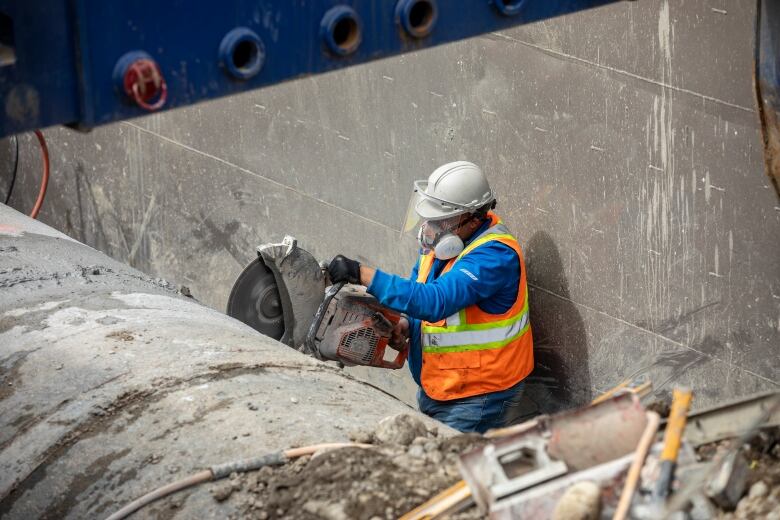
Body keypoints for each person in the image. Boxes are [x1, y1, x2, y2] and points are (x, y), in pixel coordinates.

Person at [328, 161, 533, 433]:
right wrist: (407, 326)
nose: (431, 227)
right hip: (442, 384)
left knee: (452, 470)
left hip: (479, 394)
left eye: (442, 220)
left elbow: (434, 301)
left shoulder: (494, 256)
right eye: (429, 217)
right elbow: (420, 295)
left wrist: (361, 274)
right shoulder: (445, 243)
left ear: (473, 218)